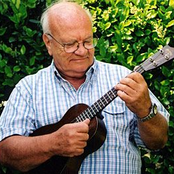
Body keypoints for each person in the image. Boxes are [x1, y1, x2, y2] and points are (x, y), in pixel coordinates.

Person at [0, 1, 169, 174]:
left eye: (88, 41)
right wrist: (53, 144)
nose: (82, 51)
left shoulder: (124, 79)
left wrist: (145, 110)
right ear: (48, 42)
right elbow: (5, 153)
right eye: (70, 44)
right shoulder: (29, 88)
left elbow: (158, 141)